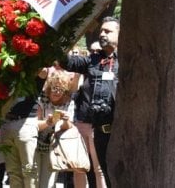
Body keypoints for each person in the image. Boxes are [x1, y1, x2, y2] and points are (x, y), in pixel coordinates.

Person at [63, 17, 119, 187]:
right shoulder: (93, 60)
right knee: (100, 176)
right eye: (101, 31)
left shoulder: (128, 59)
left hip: (122, 130)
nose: (102, 34)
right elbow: (67, 62)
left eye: (108, 31)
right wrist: (64, 36)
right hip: (100, 132)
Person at [35, 71, 76, 188]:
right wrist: (48, 122)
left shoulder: (68, 102)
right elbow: (34, 125)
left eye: (61, 89)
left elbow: (69, 127)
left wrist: (66, 120)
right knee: (33, 181)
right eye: (54, 88)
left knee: (47, 184)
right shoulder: (42, 99)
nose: (57, 92)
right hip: (36, 144)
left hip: (54, 147)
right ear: (49, 87)